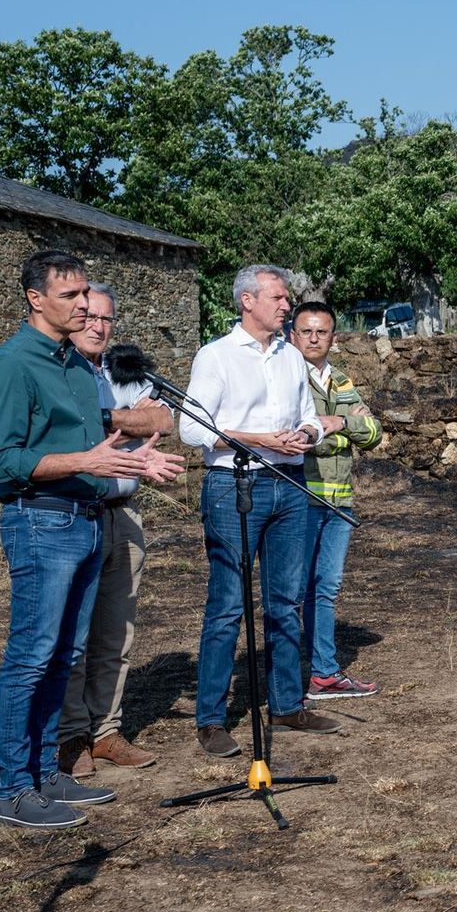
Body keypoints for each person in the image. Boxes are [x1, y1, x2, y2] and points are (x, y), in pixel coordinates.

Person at [0, 251, 182, 830]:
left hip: (87, 518)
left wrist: (134, 461)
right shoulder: (10, 365)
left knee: (65, 655)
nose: (84, 305)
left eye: (85, 293)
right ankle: (14, 787)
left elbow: (99, 445)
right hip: (41, 521)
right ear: (35, 299)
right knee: (32, 656)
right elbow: (3, 461)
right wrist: (84, 459)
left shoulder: (73, 364)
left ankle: (46, 773)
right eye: (69, 296)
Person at [180, 265, 340, 758]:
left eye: (286, 297)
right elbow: (191, 428)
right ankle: (212, 719)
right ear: (247, 301)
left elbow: (310, 418)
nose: (286, 305)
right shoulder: (217, 356)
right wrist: (255, 438)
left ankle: (288, 705)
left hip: (291, 485)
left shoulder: (291, 357)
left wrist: (307, 435)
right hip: (235, 483)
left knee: (286, 601)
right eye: (277, 296)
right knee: (228, 605)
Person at [58, 283, 180, 779]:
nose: (98, 327)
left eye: (107, 319)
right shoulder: (57, 371)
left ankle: (107, 730)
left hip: (123, 513)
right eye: (89, 317)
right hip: (72, 513)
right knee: (73, 634)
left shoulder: (118, 372)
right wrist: (125, 423)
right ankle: (70, 737)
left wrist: (110, 417)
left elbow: (163, 419)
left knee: (117, 631)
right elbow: (69, 434)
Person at [291, 302, 383, 700]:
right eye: (306, 331)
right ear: (292, 335)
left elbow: (375, 433)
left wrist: (340, 423)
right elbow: (295, 438)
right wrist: (344, 430)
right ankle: (286, 678)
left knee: (325, 588)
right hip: (300, 497)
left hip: (338, 502)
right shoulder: (288, 379)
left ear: (333, 337)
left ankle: (324, 673)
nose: (314, 339)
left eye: (322, 332)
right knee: (293, 591)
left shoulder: (342, 381)